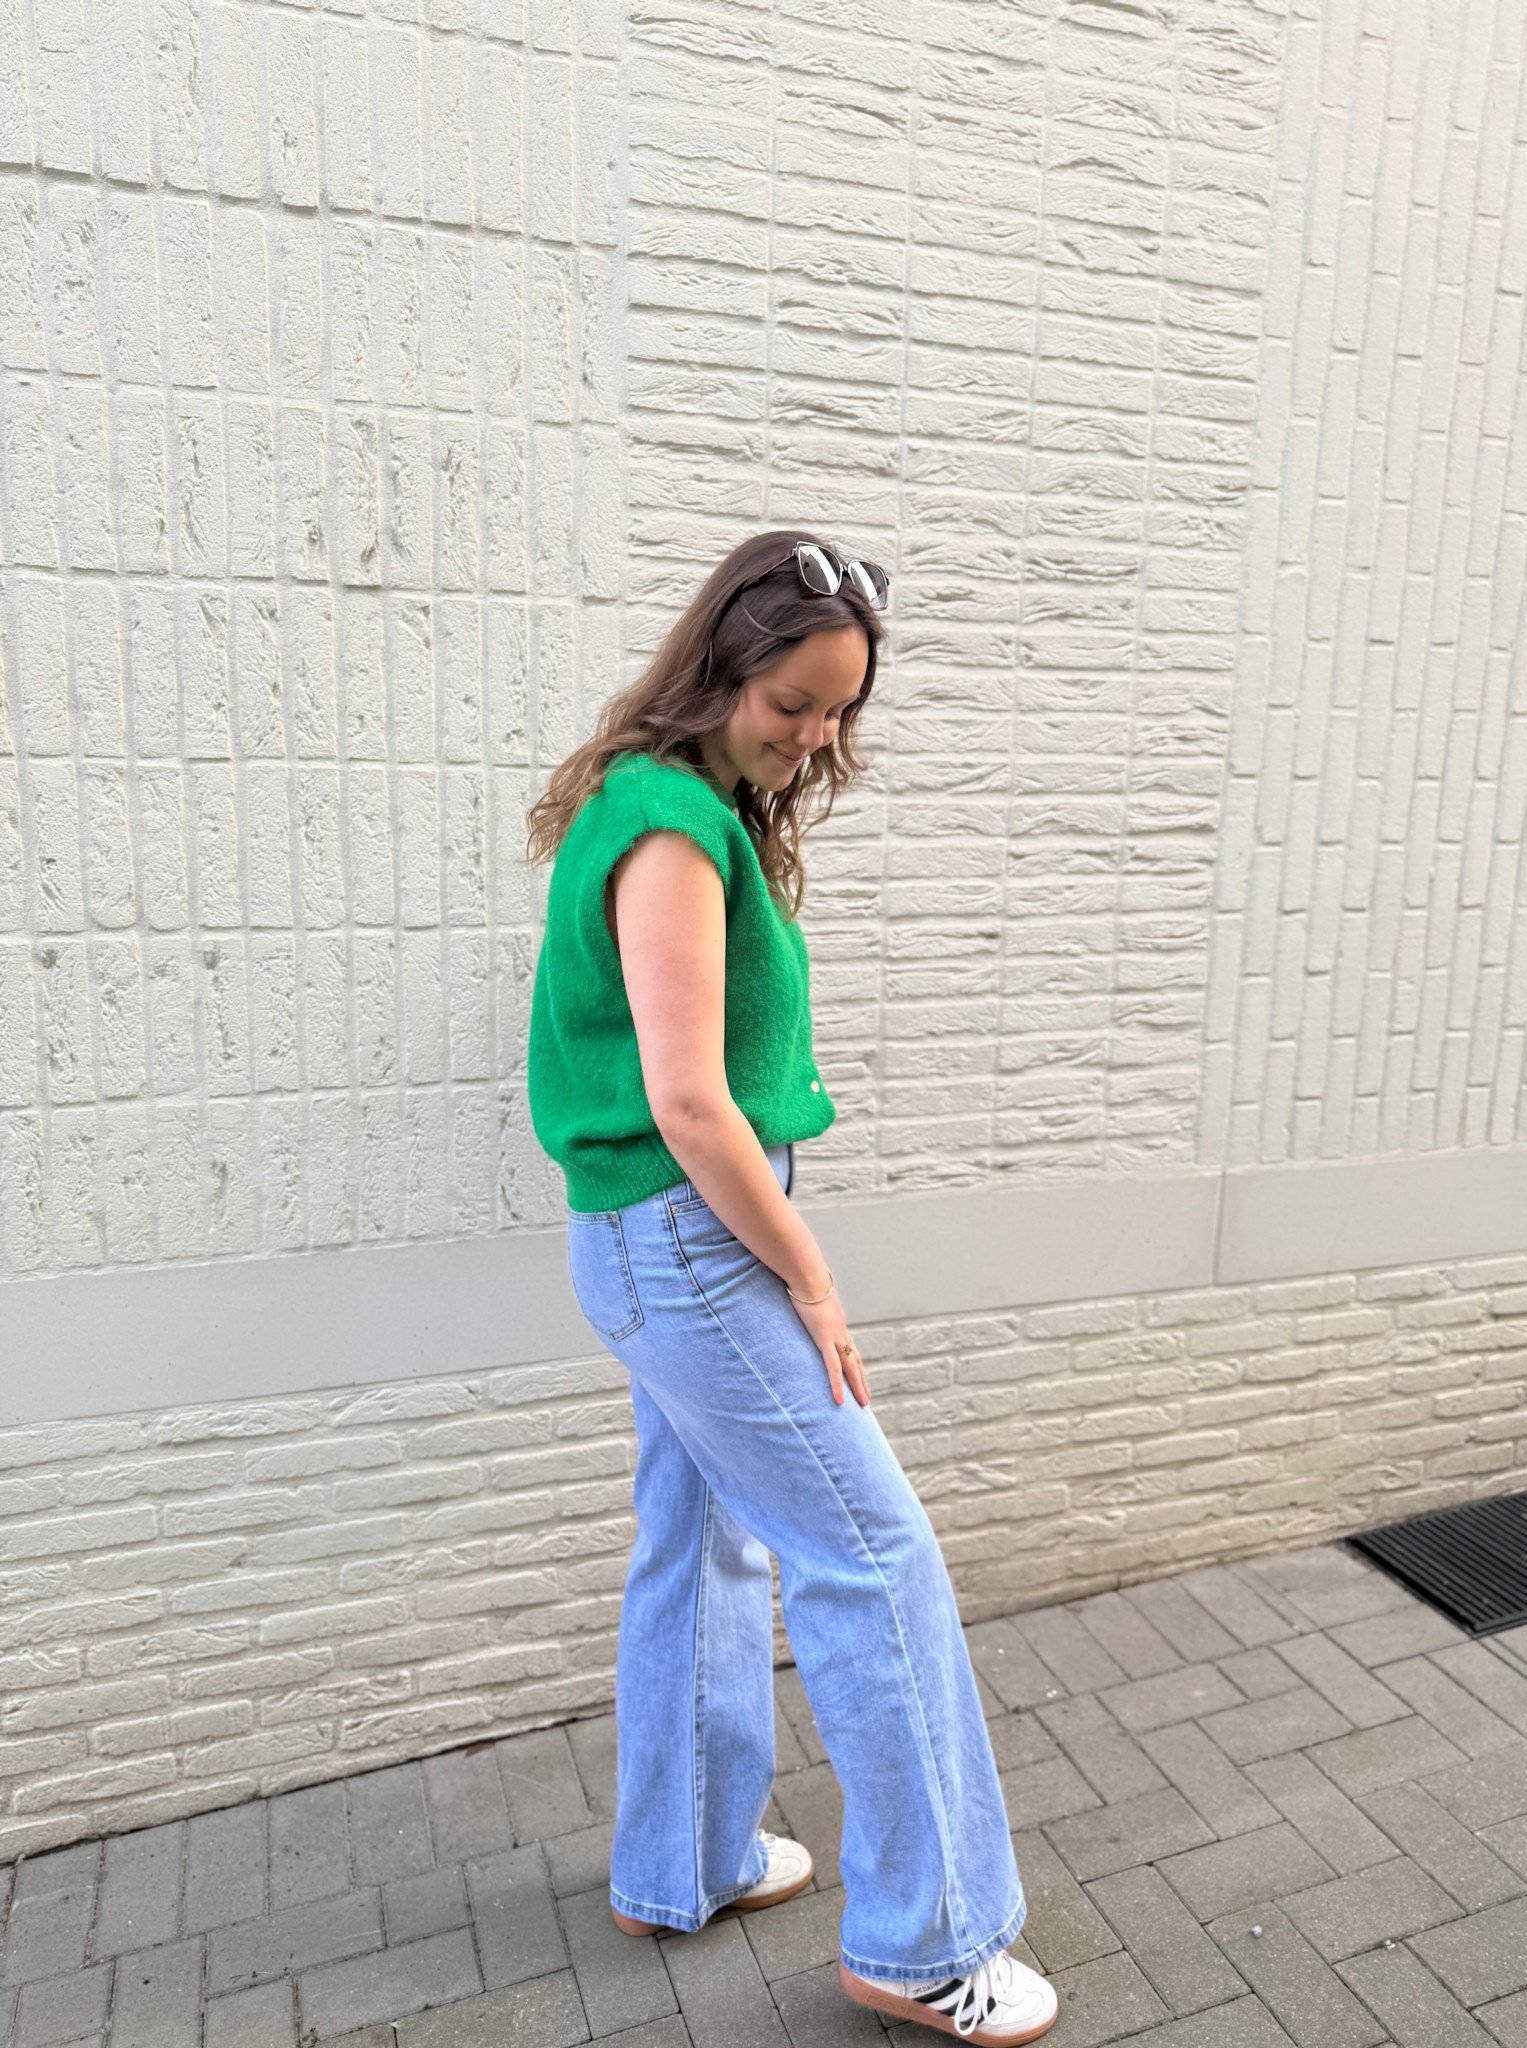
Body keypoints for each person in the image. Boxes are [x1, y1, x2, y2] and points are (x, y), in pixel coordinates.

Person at [524, 530, 1058, 2043]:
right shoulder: (675, 831)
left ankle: (680, 1863)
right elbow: (692, 1104)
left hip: (652, 1245)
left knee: (701, 1546)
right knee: (874, 1559)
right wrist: (813, 1281)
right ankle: (928, 1941)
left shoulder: (657, 799)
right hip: (695, 1246)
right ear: (722, 668)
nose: (815, 737)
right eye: (792, 702)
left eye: (837, 711)